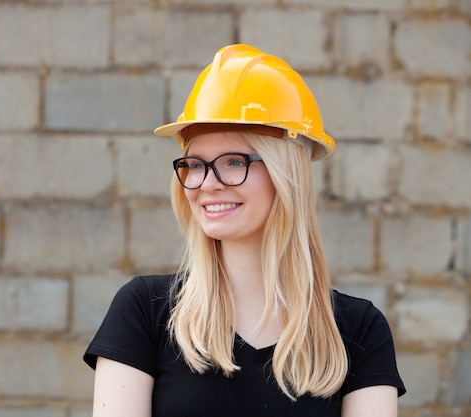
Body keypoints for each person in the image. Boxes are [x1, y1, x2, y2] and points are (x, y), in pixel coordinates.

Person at [84, 44, 405, 417]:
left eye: (234, 162)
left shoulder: (357, 330)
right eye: (195, 164)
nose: (207, 183)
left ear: (286, 174)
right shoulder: (144, 311)